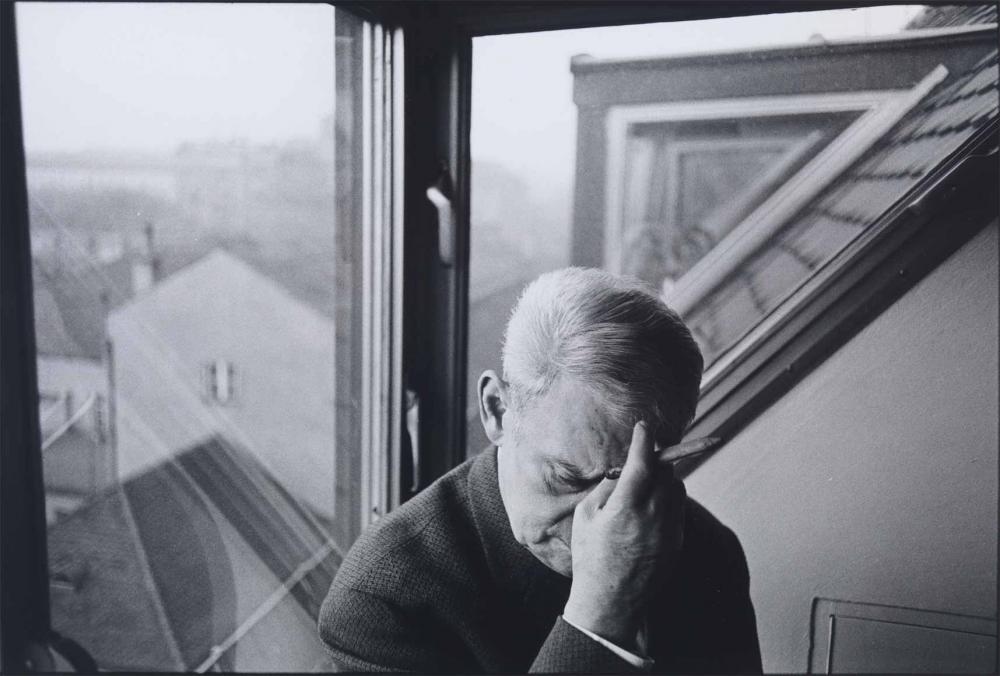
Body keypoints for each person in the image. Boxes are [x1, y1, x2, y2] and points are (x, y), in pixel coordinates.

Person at [318, 267, 762, 673]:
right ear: (497, 410)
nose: (598, 524)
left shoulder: (708, 550)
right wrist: (598, 617)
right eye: (567, 478)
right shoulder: (384, 598)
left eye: (633, 480)